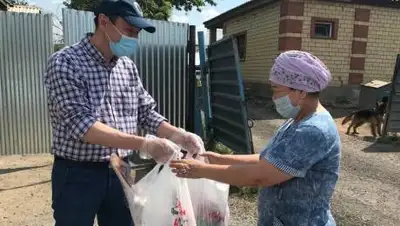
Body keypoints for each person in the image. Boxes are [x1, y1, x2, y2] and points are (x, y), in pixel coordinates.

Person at [44, 0, 202, 226]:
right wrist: (146, 145)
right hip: (78, 173)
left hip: (122, 169)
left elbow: (146, 112)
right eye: (129, 30)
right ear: (104, 22)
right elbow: (83, 126)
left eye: (137, 33)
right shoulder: (65, 62)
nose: (134, 38)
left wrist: (179, 135)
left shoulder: (126, 67)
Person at [170, 50, 341, 226]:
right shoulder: (296, 120)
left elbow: (261, 176)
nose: (274, 97)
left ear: (302, 91)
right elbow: (268, 160)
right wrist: (220, 159)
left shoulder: (313, 130)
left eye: (276, 89)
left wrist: (200, 170)